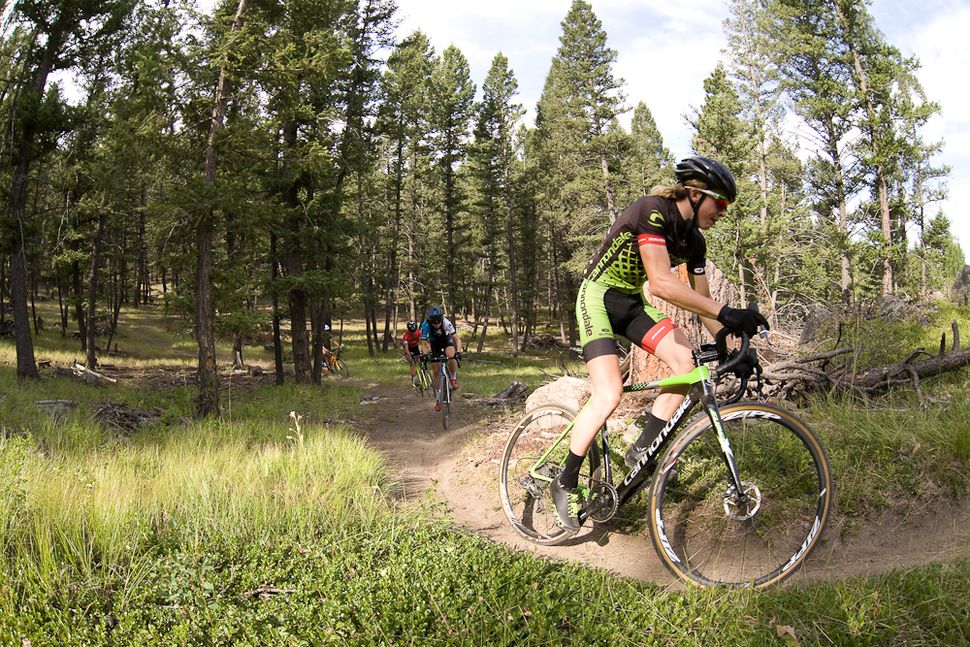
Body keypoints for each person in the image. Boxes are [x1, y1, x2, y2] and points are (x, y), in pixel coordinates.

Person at [551, 155, 769, 531]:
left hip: (632, 305)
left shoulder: (694, 242)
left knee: (687, 365)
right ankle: (565, 480)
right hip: (598, 297)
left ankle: (643, 447)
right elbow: (662, 284)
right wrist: (730, 312)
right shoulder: (652, 211)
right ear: (697, 194)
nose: (723, 212)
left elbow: (703, 303)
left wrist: (728, 342)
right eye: (721, 203)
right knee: (608, 394)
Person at [420, 306, 463, 412]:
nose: (436, 324)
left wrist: (458, 351)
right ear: (430, 320)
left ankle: (453, 378)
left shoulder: (446, 322)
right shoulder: (425, 325)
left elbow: (457, 339)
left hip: (446, 341)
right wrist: (425, 355)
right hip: (435, 345)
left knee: (451, 356)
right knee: (435, 371)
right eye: (434, 323)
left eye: (438, 322)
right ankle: (438, 400)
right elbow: (424, 343)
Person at [401, 320, 423, 385]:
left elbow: (423, 341)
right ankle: (414, 378)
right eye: (411, 332)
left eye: (414, 331)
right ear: (408, 330)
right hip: (408, 349)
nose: (413, 333)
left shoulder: (419, 332)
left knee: (419, 361)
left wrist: (422, 350)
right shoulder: (406, 336)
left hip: (415, 347)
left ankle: (422, 374)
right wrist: (408, 355)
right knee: (411, 362)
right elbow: (406, 348)